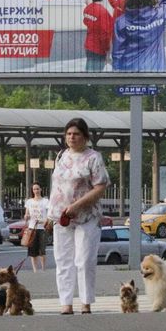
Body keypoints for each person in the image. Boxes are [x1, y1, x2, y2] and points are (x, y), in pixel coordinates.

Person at [48, 118, 109, 315]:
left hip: (86, 215)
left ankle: (85, 302)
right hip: (62, 217)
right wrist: (50, 214)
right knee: (63, 260)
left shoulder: (93, 158)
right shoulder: (61, 155)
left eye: (76, 134)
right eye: (69, 134)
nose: (72, 137)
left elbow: (101, 187)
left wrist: (77, 205)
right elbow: (55, 188)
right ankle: (65, 302)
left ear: (85, 136)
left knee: (84, 260)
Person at [112, 0, 166, 72]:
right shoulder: (160, 15)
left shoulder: (121, 22)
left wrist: (117, 72)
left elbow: (117, 52)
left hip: (130, 72)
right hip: (156, 72)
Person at [83, 0, 113, 71]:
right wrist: (107, 50)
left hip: (88, 46)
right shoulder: (104, 12)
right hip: (99, 49)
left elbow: (86, 21)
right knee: (96, 76)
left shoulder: (88, 8)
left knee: (89, 71)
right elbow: (106, 34)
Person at [24, 182, 50, 272]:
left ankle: (43, 269)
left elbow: (49, 215)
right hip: (32, 228)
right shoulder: (29, 201)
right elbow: (26, 214)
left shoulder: (45, 201)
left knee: (42, 250)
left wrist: (45, 221)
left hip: (42, 228)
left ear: (41, 189)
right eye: (34, 189)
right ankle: (35, 270)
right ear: (32, 190)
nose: (36, 191)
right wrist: (26, 217)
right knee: (33, 250)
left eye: (38, 189)